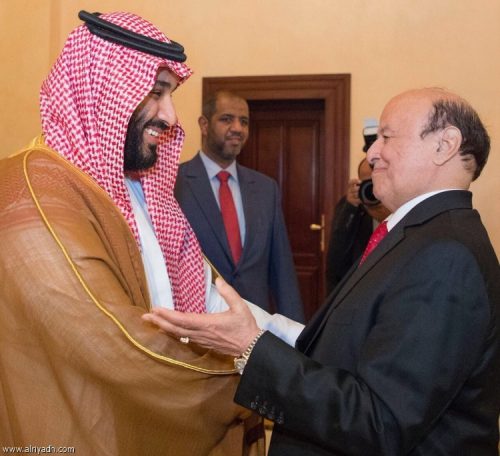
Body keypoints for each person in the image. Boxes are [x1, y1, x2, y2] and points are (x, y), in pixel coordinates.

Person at [144, 88, 500, 455]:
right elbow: (353, 348)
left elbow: (380, 423)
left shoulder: (444, 255)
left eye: (387, 136)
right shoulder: (422, 237)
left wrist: (251, 347)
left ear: (444, 145)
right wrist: (262, 329)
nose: (371, 153)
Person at [0, 11, 270, 455]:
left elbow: (209, 302)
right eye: (156, 92)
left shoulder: (142, 190)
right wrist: (261, 377)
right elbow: (113, 344)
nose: (170, 116)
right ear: (105, 88)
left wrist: (299, 344)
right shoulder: (33, 192)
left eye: (171, 95)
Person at [175, 91, 304, 321]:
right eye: (226, 119)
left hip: (256, 325)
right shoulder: (175, 183)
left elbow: (282, 269)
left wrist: (295, 332)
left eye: (244, 121)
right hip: (199, 324)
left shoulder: (266, 188)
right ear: (204, 125)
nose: (237, 128)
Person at [325, 157, 390, 294]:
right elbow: (335, 258)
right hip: (358, 288)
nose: (373, 189)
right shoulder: (351, 207)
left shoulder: (401, 204)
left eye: (378, 180)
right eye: (368, 183)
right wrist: (351, 207)